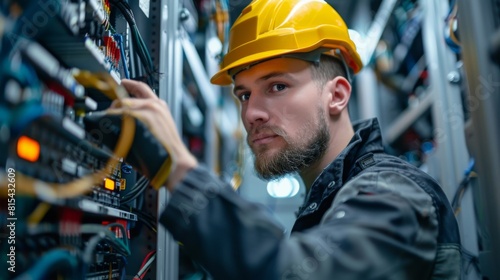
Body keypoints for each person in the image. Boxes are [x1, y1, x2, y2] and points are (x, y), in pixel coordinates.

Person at [112, 0, 462, 278]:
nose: (252, 114)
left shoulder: (394, 192)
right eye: (244, 95)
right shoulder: (330, 199)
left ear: (337, 95)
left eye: (277, 86)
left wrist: (177, 169)